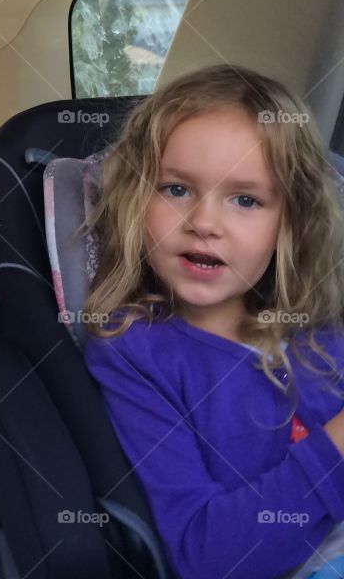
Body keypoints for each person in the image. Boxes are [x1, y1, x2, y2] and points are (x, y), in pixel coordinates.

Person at [83, 64, 344, 579]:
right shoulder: (133, 353)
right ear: (136, 201)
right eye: (176, 189)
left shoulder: (319, 329)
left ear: (289, 224)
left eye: (245, 200)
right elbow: (206, 557)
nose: (203, 223)